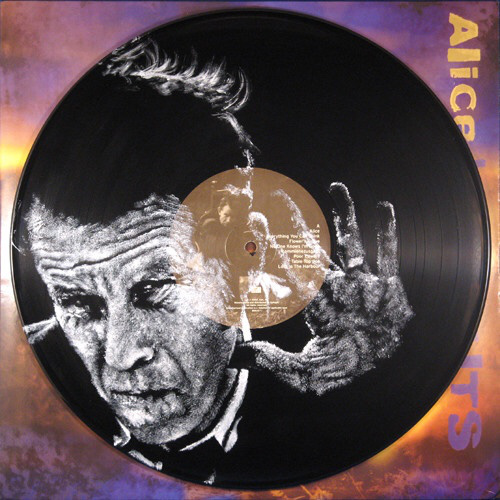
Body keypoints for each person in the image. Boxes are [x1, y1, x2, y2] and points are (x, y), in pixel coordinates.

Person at [20, 38, 413, 486]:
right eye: (78, 303)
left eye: (153, 291)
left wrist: (380, 390)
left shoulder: (340, 404)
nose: (121, 357)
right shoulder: (14, 385)